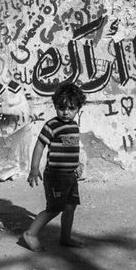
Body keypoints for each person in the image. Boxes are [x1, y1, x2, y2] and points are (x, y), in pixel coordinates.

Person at [22, 82, 87, 252]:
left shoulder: (74, 126)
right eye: (61, 107)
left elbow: (73, 148)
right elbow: (39, 145)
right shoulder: (51, 125)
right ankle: (31, 234)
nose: (66, 112)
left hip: (70, 176)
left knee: (70, 207)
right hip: (56, 177)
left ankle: (65, 238)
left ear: (78, 108)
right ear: (55, 106)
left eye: (71, 108)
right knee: (54, 208)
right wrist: (34, 168)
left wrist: (78, 163)